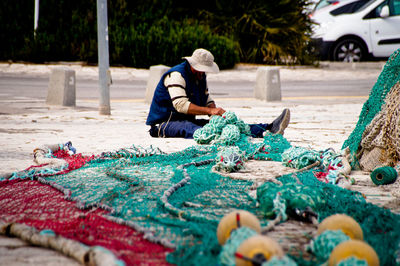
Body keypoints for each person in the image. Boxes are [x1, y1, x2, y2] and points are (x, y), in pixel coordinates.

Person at [146, 48, 290, 139]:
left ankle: (268, 127)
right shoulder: (176, 75)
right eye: (201, 69)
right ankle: (217, 138)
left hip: (186, 120)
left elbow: (207, 98)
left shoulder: (199, 76)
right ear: (193, 65)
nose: (203, 73)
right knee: (196, 130)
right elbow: (181, 105)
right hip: (164, 124)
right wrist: (210, 110)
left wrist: (216, 114)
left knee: (223, 126)